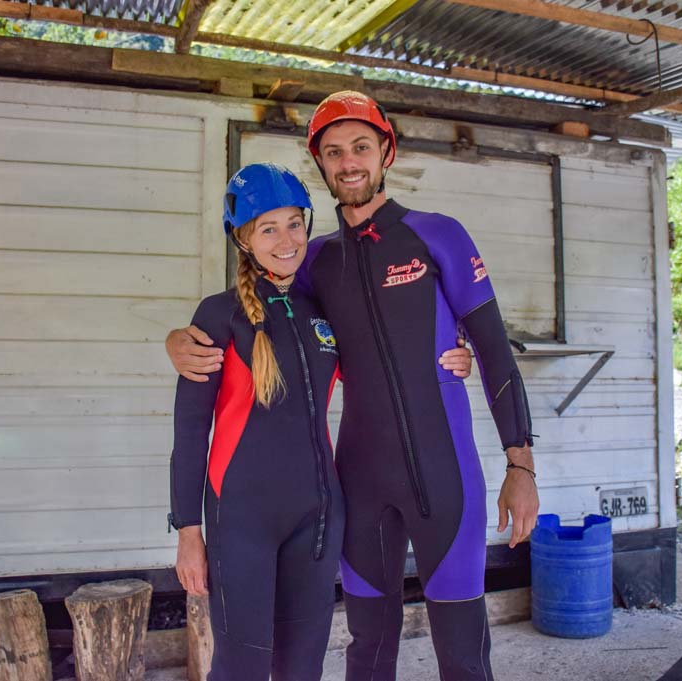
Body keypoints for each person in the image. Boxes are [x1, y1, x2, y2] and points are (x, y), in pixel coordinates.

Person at [167, 91, 539, 681]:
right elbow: (259, 309)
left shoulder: (438, 236)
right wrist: (177, 340)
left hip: (445, 476)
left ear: (386, 151)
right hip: (358, 488)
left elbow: (494, 352)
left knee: (464, 655)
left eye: (360, 146)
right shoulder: (314, 262)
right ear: (321, 164)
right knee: (365, 652)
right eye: (334, 152)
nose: (349, 162)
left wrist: (521, 466)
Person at [168, 163, 345, 681]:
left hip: (319, 517)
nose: (286, 241)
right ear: (243, 239)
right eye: (268, 229)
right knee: (241, 668)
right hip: (242, 521)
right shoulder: (218, 315)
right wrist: (188, 531)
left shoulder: (323, 310)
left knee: (303, 668)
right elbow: (189, 431)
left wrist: (452, 349)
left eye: (294, 224)